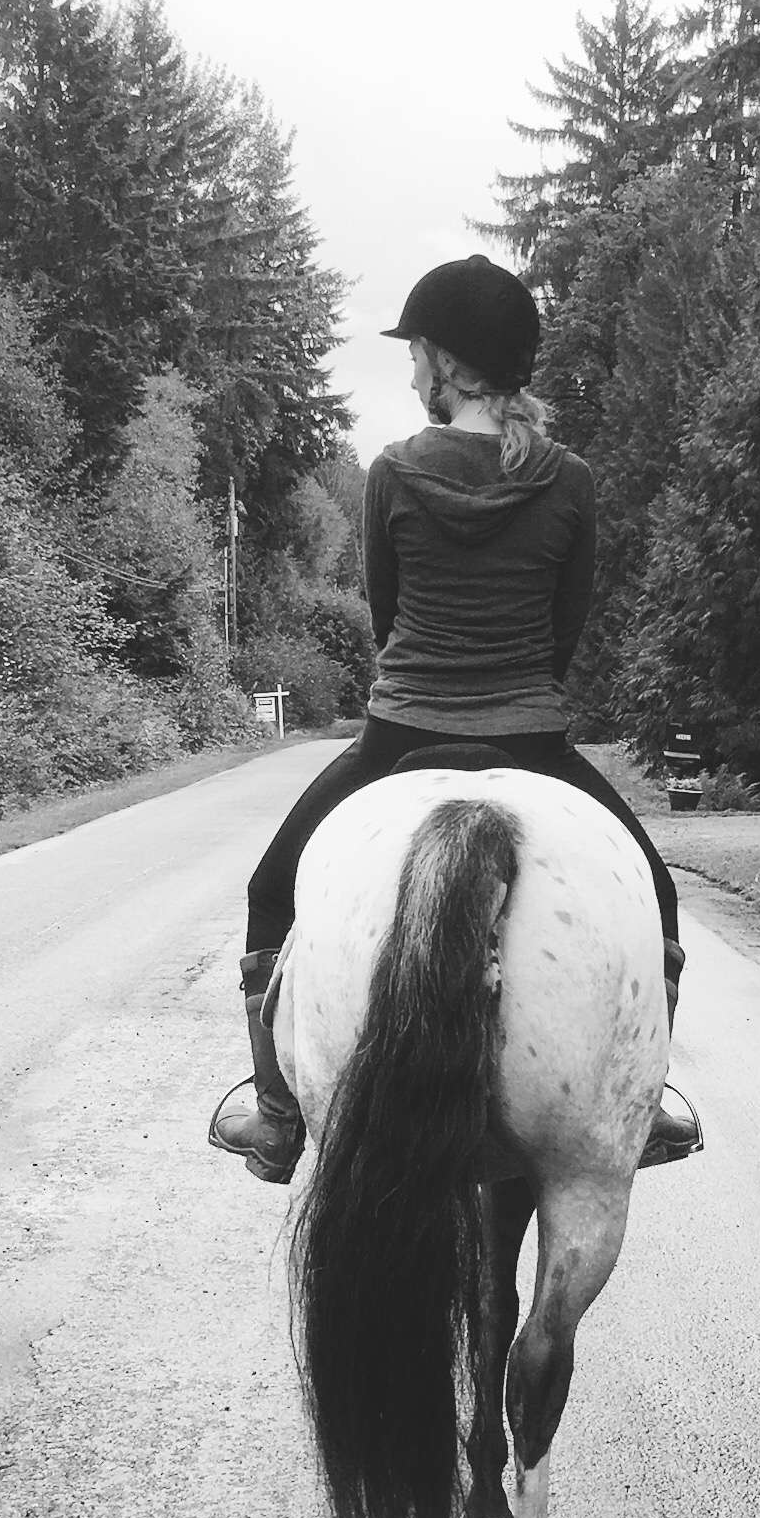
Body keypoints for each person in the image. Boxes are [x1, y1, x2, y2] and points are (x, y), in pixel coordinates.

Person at [213, 251, 698, 1183]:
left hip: (399, 734)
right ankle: (645, 1103)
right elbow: (564, 630)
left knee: (271, 891)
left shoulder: (393, 472)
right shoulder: (569, 480)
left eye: (415, 354)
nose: (409, 374)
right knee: (656, 894)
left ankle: (275, 1113)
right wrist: (515, 691)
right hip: (534, 740)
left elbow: (385, 615)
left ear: (445, 361)